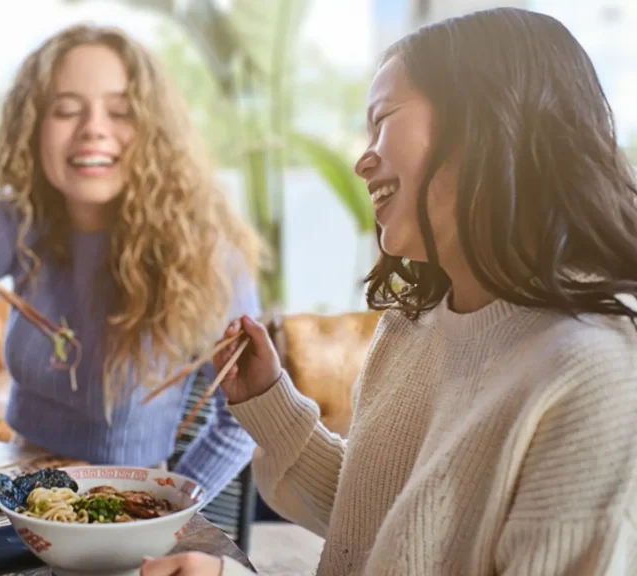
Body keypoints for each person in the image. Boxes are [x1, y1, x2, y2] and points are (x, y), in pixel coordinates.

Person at [144, 7, 637, 576]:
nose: (362, 160)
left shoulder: (599, 378)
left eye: (383, 120)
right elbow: (383, 522)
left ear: (486, 119)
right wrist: (268, 400)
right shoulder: (415, 324)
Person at [0, 24, 265, 499]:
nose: (93, 128)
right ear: (33, 127)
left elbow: (241, 423)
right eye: (65, 110)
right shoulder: (20, 219)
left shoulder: (206, 251)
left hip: (125, 507)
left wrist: (170, 506)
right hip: (17, 497)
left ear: (155, 132)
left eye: (121, 111)